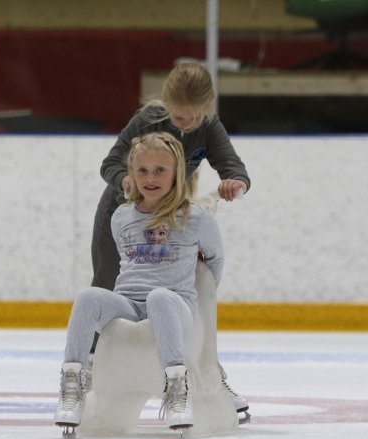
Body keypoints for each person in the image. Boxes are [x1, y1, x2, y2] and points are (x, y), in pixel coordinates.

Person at [90, 62, 251, 416]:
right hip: (124, 215)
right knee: (106, 287)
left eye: (192, 119)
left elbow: (234, 168)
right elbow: (110, 164)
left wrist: (234, 184)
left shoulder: (209, 127)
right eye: (178, 118)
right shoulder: (147, 119)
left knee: (193, 292)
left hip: (170, 219)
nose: (185, 124)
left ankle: (208, 375)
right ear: (165, 104)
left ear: (207, 108)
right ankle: (91, 373)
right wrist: (125, 182)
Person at [54, 132, 224, 433]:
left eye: (160, 170)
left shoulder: (195, 217)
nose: (150, 177)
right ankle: (73, 384)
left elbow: (213, 264)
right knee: (87, 297)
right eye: (142, 170)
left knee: (160, 296)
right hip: (129, 303)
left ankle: (176, 387)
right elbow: (128, 262)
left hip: (175, 304)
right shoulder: (122, 216)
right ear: (131, 173)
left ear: (177, 173)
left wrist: (197, 297)